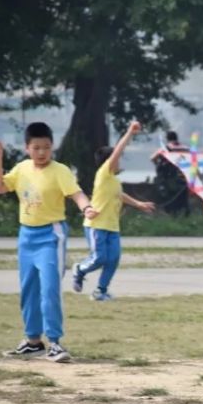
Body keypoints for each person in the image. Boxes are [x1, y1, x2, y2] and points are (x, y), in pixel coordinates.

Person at [0, 122, 99, 363]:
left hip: (51, 235)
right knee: (29, 290)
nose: (41, 152)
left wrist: (87, 208)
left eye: (46, 147)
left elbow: (76, 193)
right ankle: (33, 342)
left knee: (49, 289)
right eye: (36, 147)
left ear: (52, 147)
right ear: (27, 148)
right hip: (26, 236)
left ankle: (55, 343)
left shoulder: (60, 171)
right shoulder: (22, 169)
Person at [72, 121, 155, 300]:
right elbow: (118, 151)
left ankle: (100, 291)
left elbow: (120, 195)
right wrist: (130, 132)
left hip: (112, 226)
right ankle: (80, 269)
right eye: (116, 159)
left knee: (113, 259)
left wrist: (138, 204)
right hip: (96, 225)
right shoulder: (104, 173)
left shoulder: (114, 181)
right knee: (100, 258)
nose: (119, 161)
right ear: (109, 161)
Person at [150, 131, 190, 216]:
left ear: (167, 139)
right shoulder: (186, 148)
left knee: (168, 195)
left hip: (169, 176)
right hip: (183, 175)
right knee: (183, 198)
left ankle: (171, 212)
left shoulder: (166, 148)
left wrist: (158, 164)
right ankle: (185, 214)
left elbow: (152, 158)